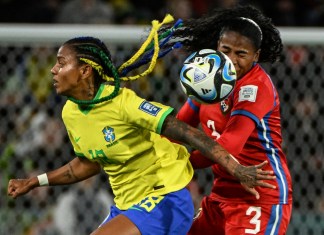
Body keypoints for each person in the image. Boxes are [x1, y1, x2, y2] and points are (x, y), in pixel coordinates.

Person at [7, 16, 275, 235]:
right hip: (129, 206)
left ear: (86, 70)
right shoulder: (71, 113)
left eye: (61, 63)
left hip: (163, 199)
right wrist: (36, 181)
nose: (53, 70)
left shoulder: (125, 104)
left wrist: (232, 167)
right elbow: (86, 163)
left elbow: (189, 134)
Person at [166, 5, 293, 235]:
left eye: (241, 54)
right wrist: (160, 154)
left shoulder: (255, 87)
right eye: (226, 50)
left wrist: (179, 164)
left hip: (259, 195)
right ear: (217, 46)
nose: (231, 59)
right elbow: (179, 127)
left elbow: (230, 146)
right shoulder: (207, 77)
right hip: (221, 194)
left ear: (256, 56)